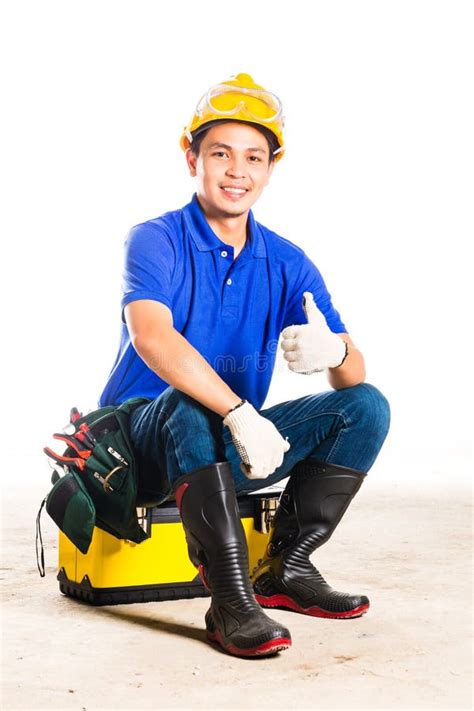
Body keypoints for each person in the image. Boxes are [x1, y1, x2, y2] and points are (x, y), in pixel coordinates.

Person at [98, 73, 391, 658]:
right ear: (192, 159)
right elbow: (153, 338)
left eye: (254, 157)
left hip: (226, 447)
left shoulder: (287, 261)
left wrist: (335, 352)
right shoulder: (155, 239)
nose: (238, 171)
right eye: (221, 154)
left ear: (270, 168)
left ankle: (286, 570)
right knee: (186, 402)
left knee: (367, 406)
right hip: (140, 449)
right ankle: (230, 600)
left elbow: (351, 376)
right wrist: (237, 410)